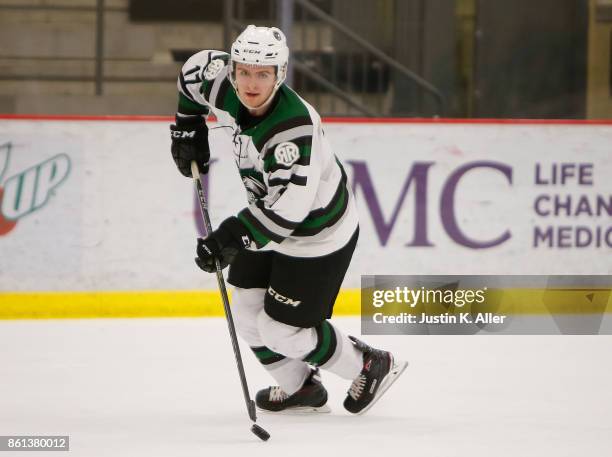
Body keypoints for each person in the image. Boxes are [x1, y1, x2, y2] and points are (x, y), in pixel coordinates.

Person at [170, 25, 407, 414]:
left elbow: (287, 215)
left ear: (280, 74)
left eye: (263, 74)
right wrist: (187, 125)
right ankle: (300, 389)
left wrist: (230, 237)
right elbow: (193, 72)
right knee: (247, 314)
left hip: (317, 235)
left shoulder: (292, 131)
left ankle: (370, 364)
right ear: (232, 69)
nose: (251, 82)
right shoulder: (223, 82)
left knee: (282, 331)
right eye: (243, 70)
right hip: (269, 220)